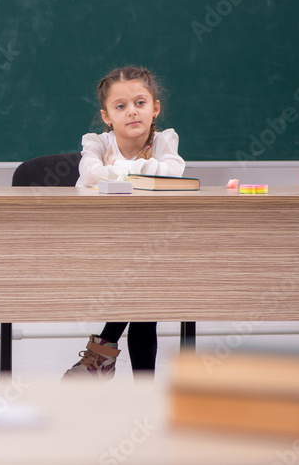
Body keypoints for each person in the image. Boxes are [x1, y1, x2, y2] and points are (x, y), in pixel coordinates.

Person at [63, 65, 185, 381]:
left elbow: (173, 171)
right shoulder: (98, 144)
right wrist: (142, 170)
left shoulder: (164, 140)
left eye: (140, 103)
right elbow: (89, 173)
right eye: (121, 106)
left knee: (145, 294)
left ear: (155, 108)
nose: (132, 112)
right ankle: (139, 388)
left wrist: (118, 170)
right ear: (107, 116)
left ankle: (101, 355)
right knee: (144, 294)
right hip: (102, 242)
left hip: (150, 245)